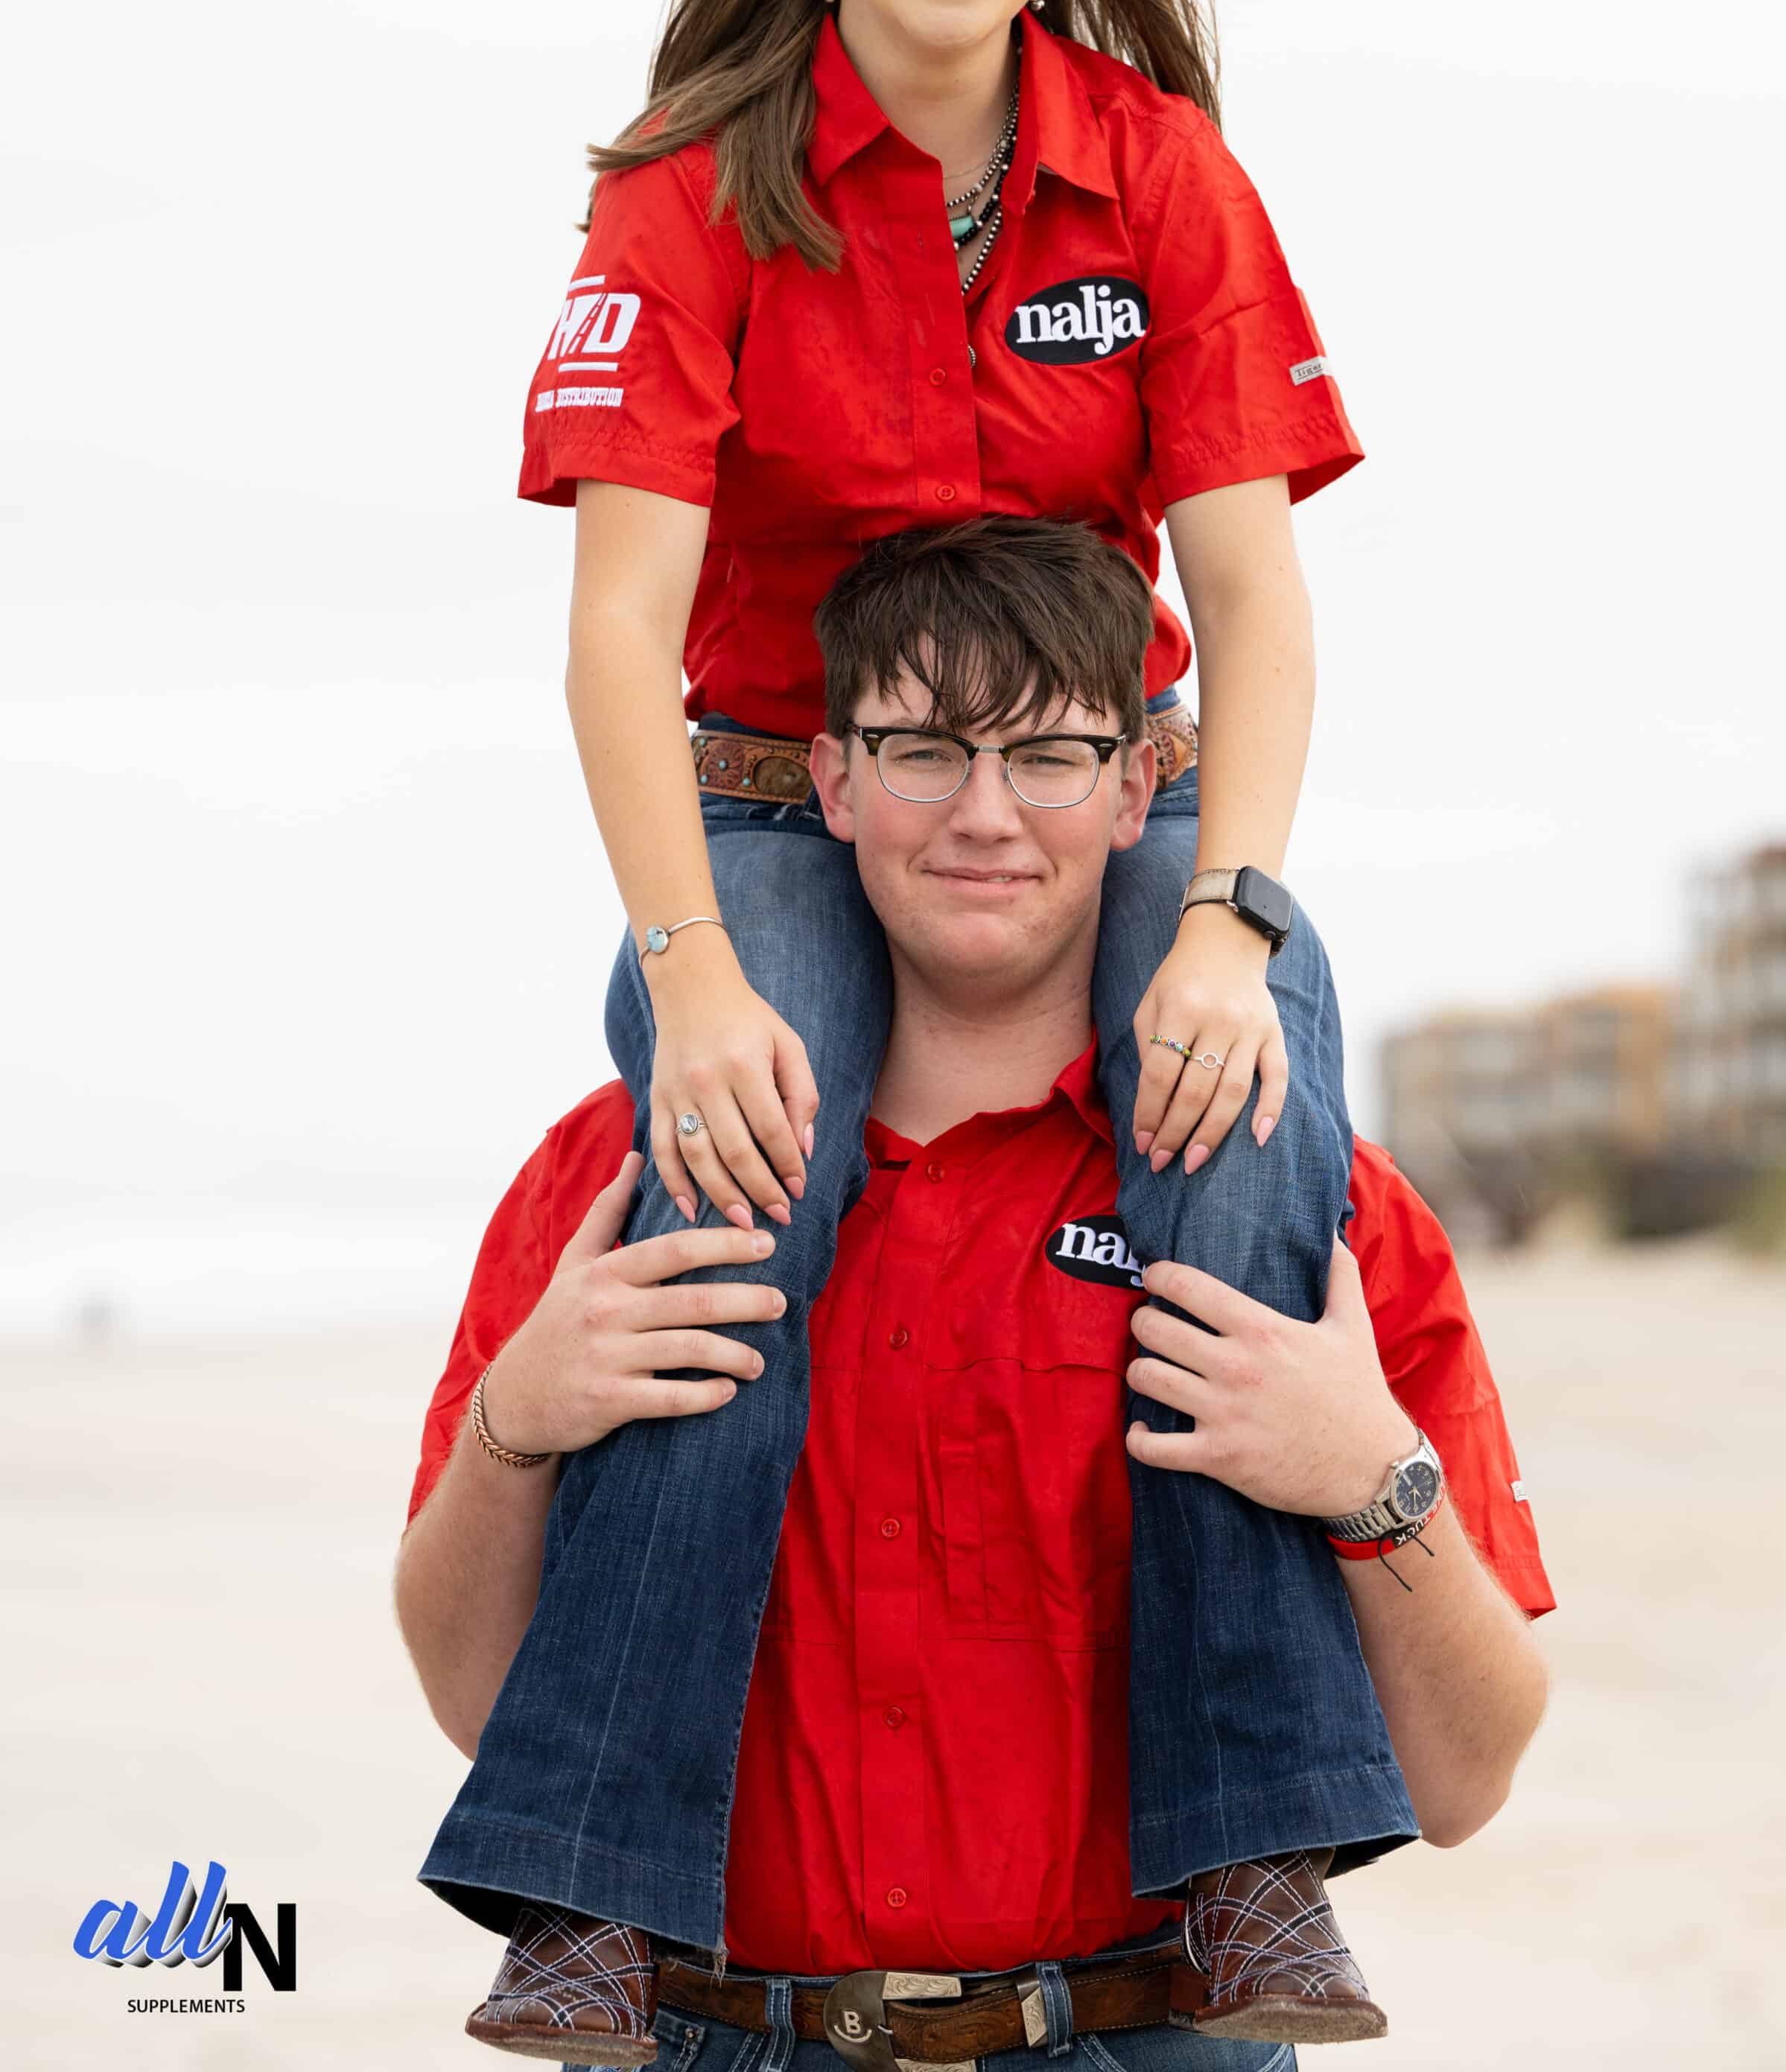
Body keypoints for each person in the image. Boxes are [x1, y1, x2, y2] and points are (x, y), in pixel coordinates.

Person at [400, 519, 1554, 2069]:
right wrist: (513, 1426)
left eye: (1053, 755)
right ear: (830, 781)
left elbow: (1464, 1780)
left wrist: (1372, 1480)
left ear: (1141, 785)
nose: (986, 816)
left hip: (1154, 2039)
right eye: (925, 750)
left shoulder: (1312, 1200)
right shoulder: (618, 1175)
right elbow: (476, 1702)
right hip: (717, 2038)